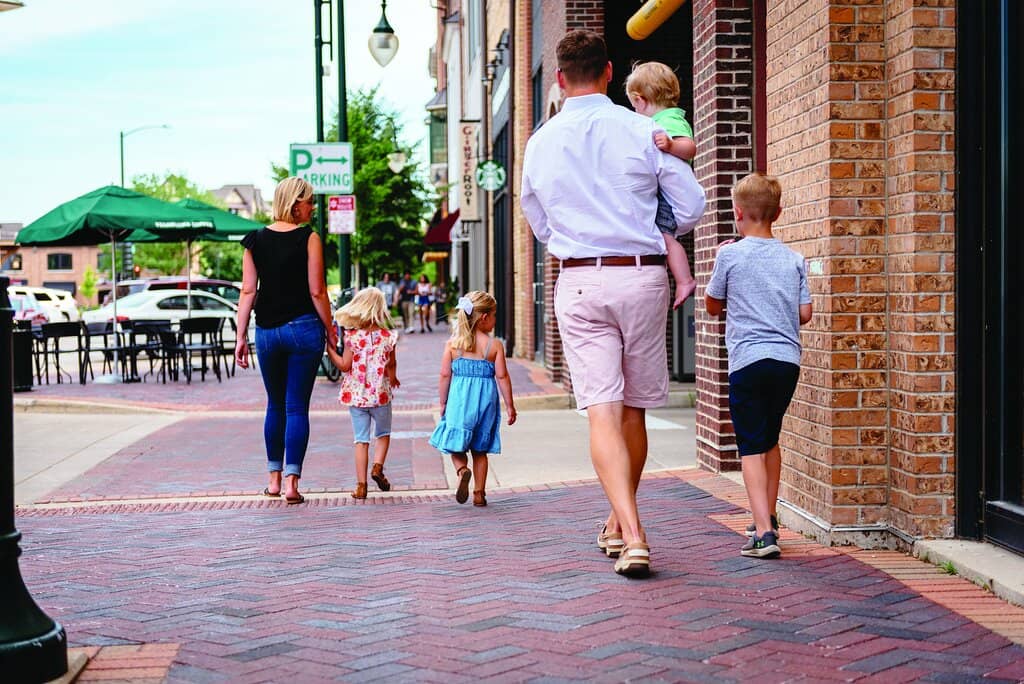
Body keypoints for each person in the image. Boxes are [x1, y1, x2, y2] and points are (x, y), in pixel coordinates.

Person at [521, 30, 705, 577]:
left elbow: (539, 221)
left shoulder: (540, 143)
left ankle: (627, 529)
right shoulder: (643, 130)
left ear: (559, 78)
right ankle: (626, 527)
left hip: (579, 280)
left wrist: (578, 238)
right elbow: (691, 205)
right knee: (633, 409)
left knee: (602, 409)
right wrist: (650, 225)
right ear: (607, 72)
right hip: (642, 276)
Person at [705, 173, 812, 559]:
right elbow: (805, 314)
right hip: (786, 363)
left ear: (738, 213)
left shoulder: (730, 255)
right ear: (778, 213)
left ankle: (764, 533)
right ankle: (769, 514)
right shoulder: (794, 259)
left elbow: (712, 305)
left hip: (748, 361)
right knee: (769, 438)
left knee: (750, 445)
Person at [236, 177, 337, 505]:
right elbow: (317, 291)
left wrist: (240, 335)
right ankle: (292, 483)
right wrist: (331, 329)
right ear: (295, 203)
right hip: (303, 329)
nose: (313, 207)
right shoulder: (309, 238)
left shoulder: (254, 240)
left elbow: (247, 291)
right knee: (296, 407)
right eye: (309, 201)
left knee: (275, 404)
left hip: (266, 331)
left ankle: (273, 480)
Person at [429, 291, 517, 507]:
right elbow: (502, 377)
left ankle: (462, 470)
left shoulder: (453, 344)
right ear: (484, 318)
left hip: (459, 401)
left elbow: (445, 375)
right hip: (486, 402)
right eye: (494, 315)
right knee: (480, 450)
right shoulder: (494, 345)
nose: (495, 320)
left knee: (455, 446)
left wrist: (443, 402)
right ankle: (479, 493)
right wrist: (510, 405)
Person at [625, 61, 698, 308]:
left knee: (665, 237)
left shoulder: (668, 121)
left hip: (670, 196)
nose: (635, 112)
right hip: (667, 192)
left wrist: (671, 145)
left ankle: (685, 280)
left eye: (634, 106)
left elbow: (690, 147)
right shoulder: (666, 119)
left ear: (640, 100)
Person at [326, 287, 401, 500]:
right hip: (381, 395)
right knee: (383, 434)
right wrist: (393, 378)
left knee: (361, 440)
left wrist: (330, 351)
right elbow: (391, 364)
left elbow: (344, 365)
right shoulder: (388, 337)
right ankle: (377, 467)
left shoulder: (352, 337)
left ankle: (361, 486)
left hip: (357, 396)